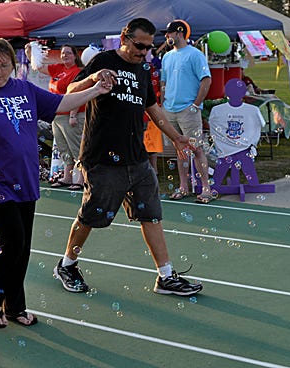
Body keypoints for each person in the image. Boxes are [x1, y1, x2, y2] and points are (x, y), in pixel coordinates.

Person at [0, 38, 112, 328]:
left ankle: (15, 307)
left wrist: (95, 90)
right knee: (11, 240)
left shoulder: (23, 89)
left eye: (4, 65)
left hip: (24, 179)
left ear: (13, 67)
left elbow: (62, 103)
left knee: (23, 246)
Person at [53, 18, 203, 297]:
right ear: (125, 37)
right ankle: (67, 264)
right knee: (90, 216)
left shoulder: (143, 69)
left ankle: (166, 276)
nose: (143, 52)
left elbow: (154, 110)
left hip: (137, 159)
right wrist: (94, 79)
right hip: (101, 159)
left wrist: (176, 136)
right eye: (139, 45)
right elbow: (71, 91)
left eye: (148, 48)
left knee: (152, 215)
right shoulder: (103, 60)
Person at [160, 20, 214, 203]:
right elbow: (164, 83)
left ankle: (206, 188)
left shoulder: (195, 55)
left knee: (196, 149)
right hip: (170, 109)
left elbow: (206, 80)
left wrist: (195, 104)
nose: (166, 36)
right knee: (180, 150)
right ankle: (184, 187)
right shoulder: (167, 57)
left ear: (179, 33)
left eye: (169, 33)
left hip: (187, 110)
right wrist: (162, 105)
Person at [25, 43, 86, 190]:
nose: (65, 55)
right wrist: (30, 53)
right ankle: (67, 176)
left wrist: (73, 114)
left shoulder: (78, 71)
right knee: (63, 148)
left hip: (72, 115)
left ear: (75, 55)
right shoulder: (58, 68)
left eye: (69, 53)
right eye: (63, 53)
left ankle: (82, 178)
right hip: (57, 115)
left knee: (76, 147)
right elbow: (38, 67)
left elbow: (78, 93)